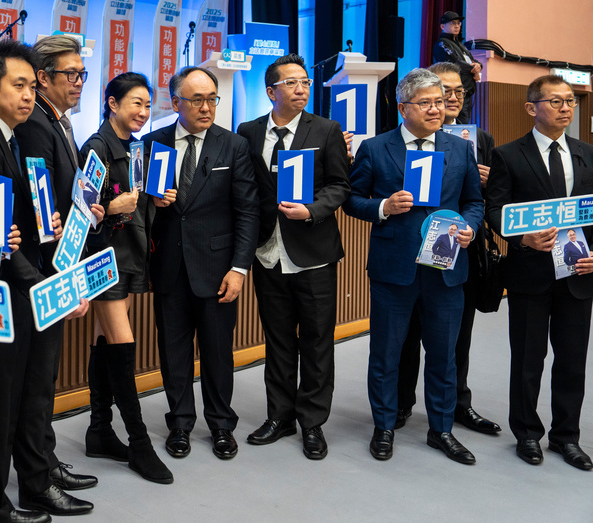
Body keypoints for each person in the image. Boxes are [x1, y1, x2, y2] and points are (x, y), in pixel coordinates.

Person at [0, 40, 87, 523]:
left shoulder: (7, 136)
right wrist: (46, 286)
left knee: (20, 401)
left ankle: (23, 489)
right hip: (1, 297)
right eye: (19, 85)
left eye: (33, 86)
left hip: (22, 288)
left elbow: (22, 224)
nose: (30, 96)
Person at [343, 68, 484, 465]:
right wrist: (384, 207)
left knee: (444, 354)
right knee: (386, 354)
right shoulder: (376, 148)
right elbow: (352, 199)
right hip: (394, 270)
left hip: (445, 267)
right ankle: (384, 426)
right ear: (403, 107)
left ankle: (441, 430)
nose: (437, 109)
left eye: (440, 102)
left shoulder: (458, 149)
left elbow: (474, 201)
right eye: (426, 103)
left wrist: (469, 228)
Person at [236, 53, 350, 461]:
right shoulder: (248, 132)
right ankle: (279, 416)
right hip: (268, 254)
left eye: (304, 82)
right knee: (279, 341)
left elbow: (340, 185)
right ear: (271, 91)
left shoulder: (326, 129)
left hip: (314, 254)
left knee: (317, 343)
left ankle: (312, 423)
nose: (301, 88)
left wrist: (313, 210)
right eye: (291, 83)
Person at [143, 66, 258, 461]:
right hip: (170, 267)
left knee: (217, 351)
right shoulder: (153, 143)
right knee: (172, 351)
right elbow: (140, 207)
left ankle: (222, 425)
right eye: (197, 100)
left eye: (212, 98)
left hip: (218, 268)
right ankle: (179, 423)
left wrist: (240, 268)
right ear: (175, 103)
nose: (206, 107)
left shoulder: (233, 145)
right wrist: (149, 202)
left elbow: (247, 212)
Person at [486, 74, 593, 471]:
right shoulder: (509, 154)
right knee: (528, 359)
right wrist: (522, 239)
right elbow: (495, 209)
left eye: (571, 101)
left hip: (578, 272)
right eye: (556, 101)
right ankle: (527, 434)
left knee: (572, 359)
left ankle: (567, 437)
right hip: (530, 271)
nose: (566, 108)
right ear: (532, 107)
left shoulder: (587, 153)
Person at [13, 35, 99, 504]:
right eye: (71, 74)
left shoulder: (60, 123)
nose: (79, 83)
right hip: (42, 271)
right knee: (35, 383)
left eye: (82, 74)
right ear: (43, 79)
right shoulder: (35, 126)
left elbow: (64, 196)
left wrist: (88, 208)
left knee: (44, 380)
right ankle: (35, 481)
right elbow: (37, 208)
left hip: (58, 264)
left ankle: (45, 463)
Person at [395, 62, 501, 436]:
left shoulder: (479, 140)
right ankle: (400, 404)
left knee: (455, 338)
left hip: (461, 252)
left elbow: (485, 197)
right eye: (442, 92)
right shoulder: (401, 140)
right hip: (410, 253)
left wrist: (490, 180)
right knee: (406, 336)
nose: (449, 99)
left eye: (456, 92)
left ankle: (457, 404)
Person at [79, 71, 174, 483]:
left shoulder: (136, 148)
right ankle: (138, 442)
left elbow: (136, 201)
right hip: (104, 258)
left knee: (105, 340)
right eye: (135, 102)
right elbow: (83, 214)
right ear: (112, 103)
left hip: (131, 254)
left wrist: (153, 199)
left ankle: (99, 429)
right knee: (122, 343)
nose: (143, 111)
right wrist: (110, 207)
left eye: (147, 104)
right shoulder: (96, 149)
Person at [432, 11, 483, 123]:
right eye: (452, 23)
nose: (456, 26)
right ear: (442, 26)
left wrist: (478, 66)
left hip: (465, 92)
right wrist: (474, 69)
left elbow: (473, 61)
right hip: (451, 95)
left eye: (458, 23)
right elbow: (455, 63)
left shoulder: (461, 45)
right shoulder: (442, 43)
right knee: (453, 124)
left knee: (463, 124)